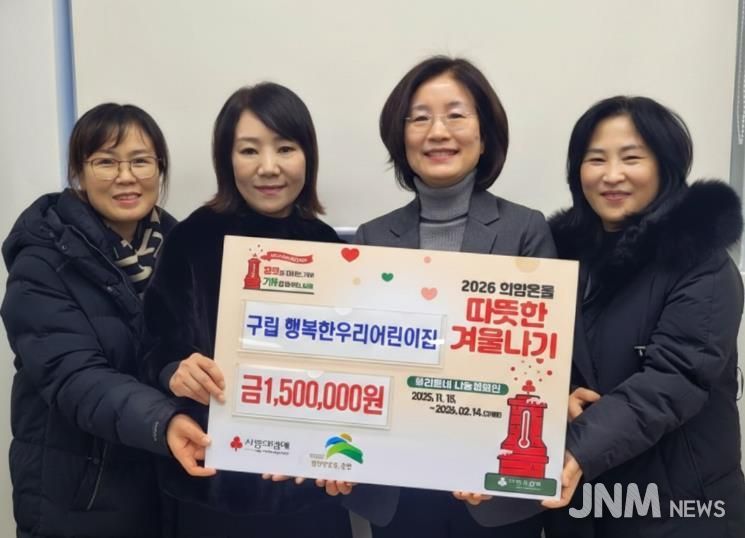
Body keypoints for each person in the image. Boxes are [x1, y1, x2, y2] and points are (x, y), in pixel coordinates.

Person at [345, 55, 555, 538]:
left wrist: (483, 454)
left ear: (485, 135)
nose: (437, 132)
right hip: (397, 483)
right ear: (400, 137)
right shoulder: (371, 238)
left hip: (492, 491)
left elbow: (540, 364)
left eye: (456, 115)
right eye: (419, 118)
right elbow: (356, 363)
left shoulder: (526, 230)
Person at [142, 82, 354, 537]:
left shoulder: (330, 247)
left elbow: (353, 367)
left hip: (307, 489)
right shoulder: (192, 238)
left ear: (308, 156)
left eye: (285, 148)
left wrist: (348, 453)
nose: (268, 167)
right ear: (227, 159)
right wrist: (174, 371)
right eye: (249, 150)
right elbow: (153, 346)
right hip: (215, 487)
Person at [2, 103, 211, 538]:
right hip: (81, 498)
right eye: (106, 162)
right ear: (79, 172)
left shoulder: (183, 251)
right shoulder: (42, 261)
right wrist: (164, 421)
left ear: (160, 169)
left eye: (140, 161)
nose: (126, 177)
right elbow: (76, 377)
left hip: (165, 488)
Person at [543, 95, 745, 537]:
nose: (612, 175)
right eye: (596, 159)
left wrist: (577, 448)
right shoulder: (556, 257)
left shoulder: (702, 263)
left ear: (665, 166)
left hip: (677, 510)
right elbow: (538, 358)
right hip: (580, 505)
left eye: (631, 158)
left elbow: (674, 378)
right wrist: (558, 396)